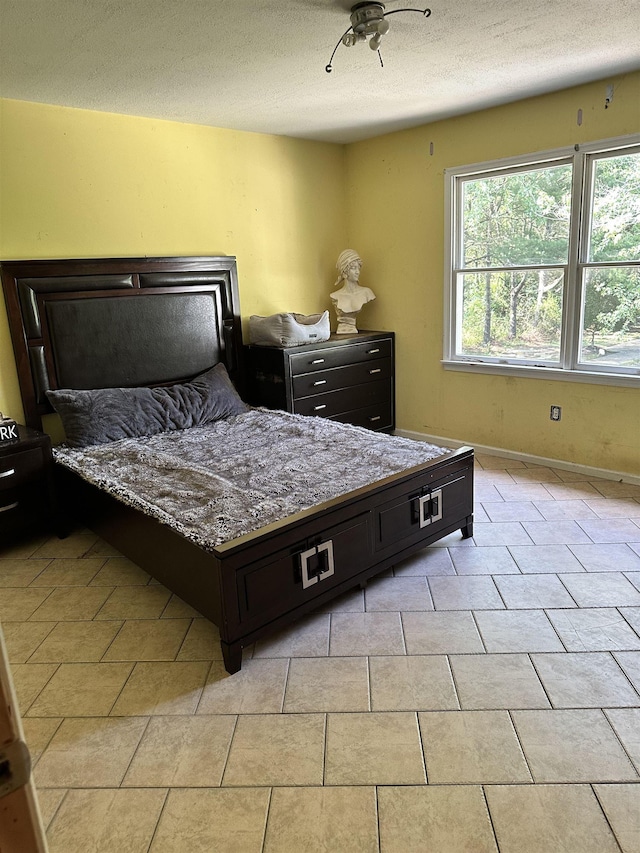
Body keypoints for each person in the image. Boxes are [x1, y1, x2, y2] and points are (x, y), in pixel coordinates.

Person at [330, 249, 376, 334]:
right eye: (353, 268)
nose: (357, 272)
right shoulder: (335, 296)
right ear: (344, 271)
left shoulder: (367, 293)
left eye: (358, 268)